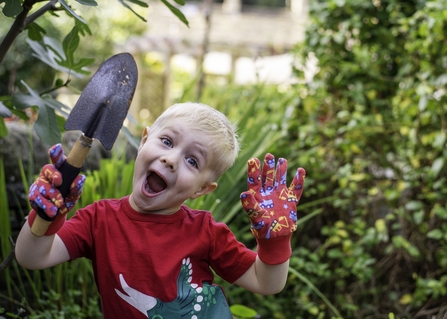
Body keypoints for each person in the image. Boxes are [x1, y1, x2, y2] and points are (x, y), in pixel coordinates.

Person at [16, 102, 306, 319]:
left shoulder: (205, 232)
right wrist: (45, 216)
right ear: (144, 141)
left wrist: (275, 243)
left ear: (201, 190)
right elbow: (31, 257)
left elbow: (266, 282)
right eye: (166, 142)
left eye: (193, 161)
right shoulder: (99, 219)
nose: (170, 159)